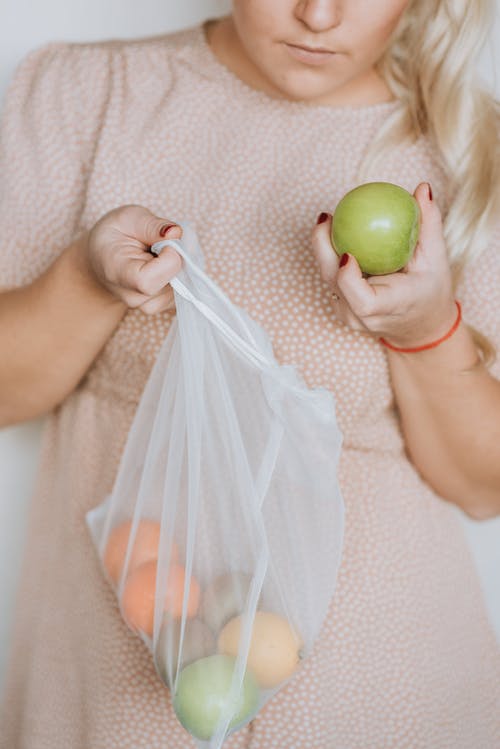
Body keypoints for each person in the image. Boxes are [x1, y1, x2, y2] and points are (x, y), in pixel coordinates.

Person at [0, 1, 499, 746]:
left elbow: (482, 484)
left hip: (379, 694)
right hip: (110, 686)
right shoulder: (86, 94)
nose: (318, 14)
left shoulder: (469, 151)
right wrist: (87, 279)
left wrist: (425, 331)